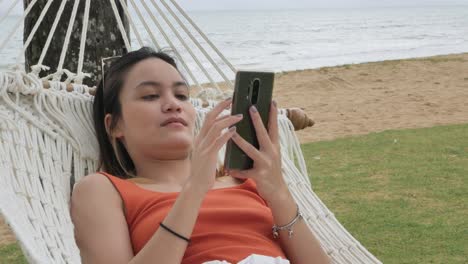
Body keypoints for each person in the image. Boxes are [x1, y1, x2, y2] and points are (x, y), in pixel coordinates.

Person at [70, 47, 331, 264]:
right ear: (114, 125)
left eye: (182, 95)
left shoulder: (248, 180)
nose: (173, 104)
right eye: (150, 95)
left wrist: (278, 191)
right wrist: (194, 190)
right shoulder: (103, 190)